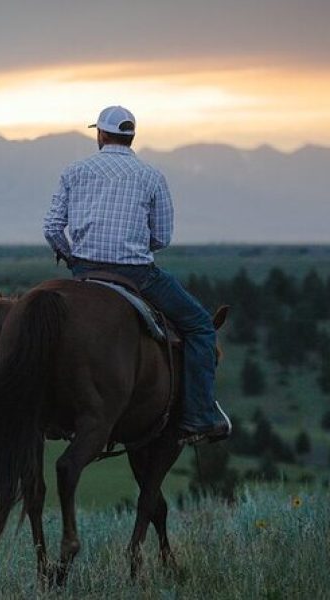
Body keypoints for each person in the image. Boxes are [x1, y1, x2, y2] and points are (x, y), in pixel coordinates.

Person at [42, 105, 231, 445]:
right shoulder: (151, 175)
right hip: (137, 275)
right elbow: (163, 237)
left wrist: (74, 262)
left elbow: (53, 228)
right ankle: (199, 416)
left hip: (85, 272)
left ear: (100, 135)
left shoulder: (74, 171)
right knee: (201, 326)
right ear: (132, 137)